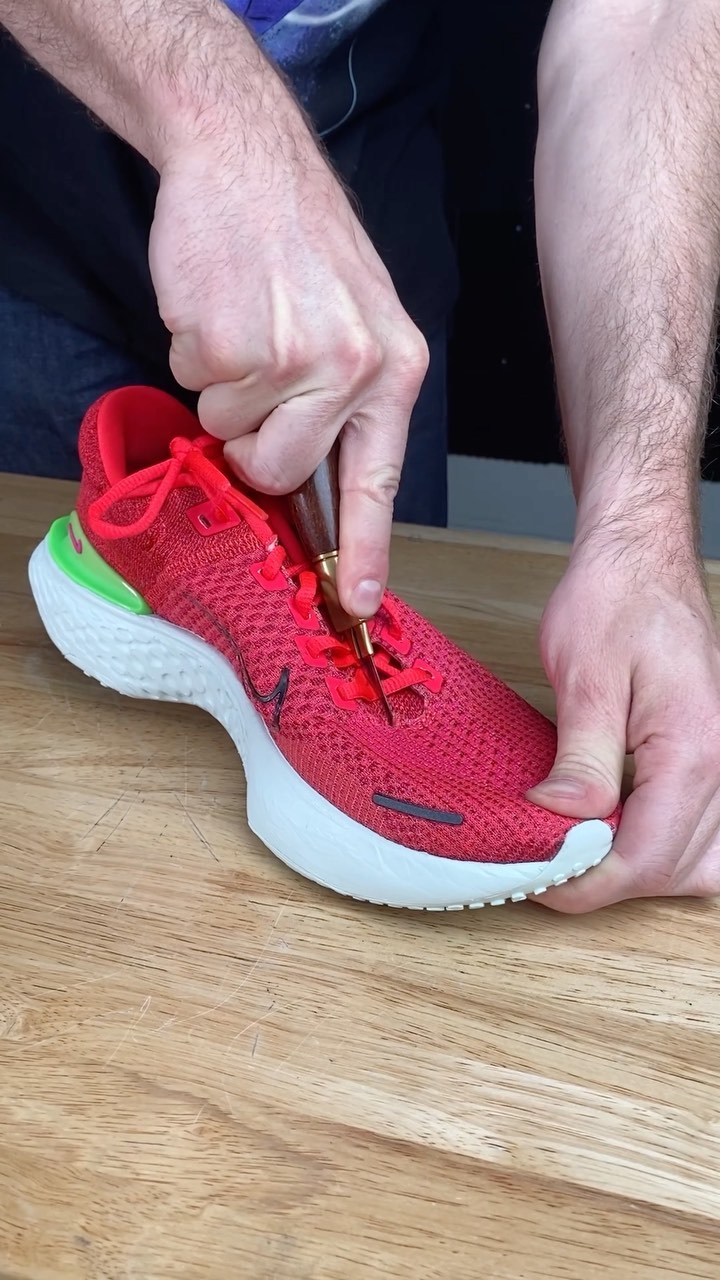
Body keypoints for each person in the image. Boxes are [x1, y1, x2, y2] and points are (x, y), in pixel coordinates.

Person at [2, 0, 720, 915]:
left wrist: (636, 529)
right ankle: (146, 542)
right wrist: (226, 131)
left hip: (363, 176)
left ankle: (276, 584)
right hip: (45, 168)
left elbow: (646, 22)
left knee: (361, 569)